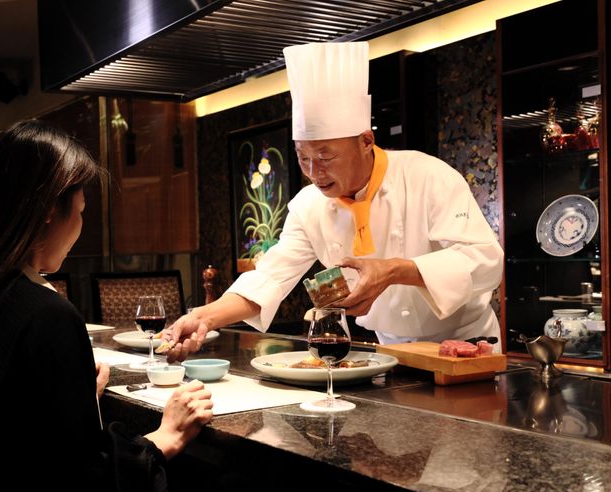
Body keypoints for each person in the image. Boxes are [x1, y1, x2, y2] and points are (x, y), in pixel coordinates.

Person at [0, 120, 213, 492]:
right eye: (82, 211)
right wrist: (164, 438)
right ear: (51, 210)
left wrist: (73, 394)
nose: (81, 226)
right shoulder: (46, 314)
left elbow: (6, 422)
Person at [163, 41, 503, 359]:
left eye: (326, 157)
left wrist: (394, 270)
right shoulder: (309, 206)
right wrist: (203, 317)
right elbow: (270, 278)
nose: (314, 172)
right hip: (392, 352)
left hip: (465, 345)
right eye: (303, 157)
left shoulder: (428, 176)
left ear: (366, 141)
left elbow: (486, 262)